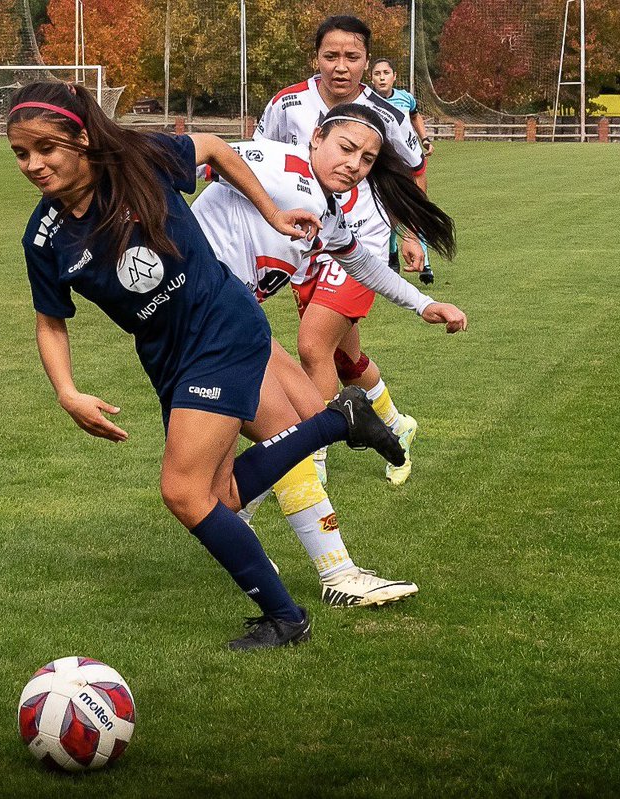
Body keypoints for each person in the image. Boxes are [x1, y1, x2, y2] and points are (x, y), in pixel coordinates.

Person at [8, 81, 409, 649]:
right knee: (217, 499)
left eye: (47, 148)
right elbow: (51, 321)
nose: (34, 165)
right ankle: (338, 420)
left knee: (182, 491)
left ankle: (286, 619)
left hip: (222, 326)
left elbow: (217, 148)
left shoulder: (140, 161)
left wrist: (271, 213)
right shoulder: (44, 237)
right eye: (22, 154)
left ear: (80, 137)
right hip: (165, 354)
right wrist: (67, 391)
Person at [193, 104, 467, 606]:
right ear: (316, 138)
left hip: (231, 321)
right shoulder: (282, 163)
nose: (354, 164)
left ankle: (242, 530)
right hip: (202, 321)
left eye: (366, 159)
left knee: (303, 422)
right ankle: (334, 573)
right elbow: (203, 157)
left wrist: (424, 303)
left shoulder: (327, 208)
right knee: (289, 430)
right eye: (345, 148)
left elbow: (362, 263)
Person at [256, 15, 437, 486]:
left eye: (352, 57)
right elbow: (255, 167)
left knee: (312, 345)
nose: (341, 67)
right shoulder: (288, 104)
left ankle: (308, 460)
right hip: (303, 246)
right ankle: (397, 426)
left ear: (367, 60)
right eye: (331, 56)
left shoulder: (389, 113)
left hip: (362, 245)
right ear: (315, 57)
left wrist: (411, 234)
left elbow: (414, 172)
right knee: (345, 360)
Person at [370, 56, 436, 278]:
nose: (382, 77)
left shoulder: (405, 99)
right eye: (377, 74)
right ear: (371, 78)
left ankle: (425, 262)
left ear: (394, 76)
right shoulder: (366, 102)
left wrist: (424, 139)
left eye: (386, 73)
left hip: (409, 162)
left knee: (415, 206)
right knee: (387, 213)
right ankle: (392, 255)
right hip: (383, 166)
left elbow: (416, 117)